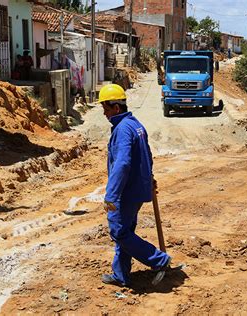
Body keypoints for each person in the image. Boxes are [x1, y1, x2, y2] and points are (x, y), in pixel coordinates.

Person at [99, 83, 171, 286]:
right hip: (137, 188)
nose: (104, 113)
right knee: (125, 232)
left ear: (116, 107)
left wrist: (111, 195)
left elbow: (122, 163)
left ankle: (159, 260)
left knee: (119, 232)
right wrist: (150, 178)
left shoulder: (122, 129)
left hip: (126, 192)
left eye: (106, 108)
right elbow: (147, 154)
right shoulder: (135, 124)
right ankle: (121, 275)